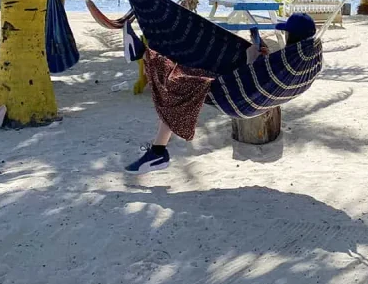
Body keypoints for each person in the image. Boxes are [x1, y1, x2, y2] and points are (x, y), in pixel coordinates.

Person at [125, 12, 316, 173]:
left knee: (178, 81)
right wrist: (261, 55)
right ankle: (158, 151)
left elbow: (256, 78)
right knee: (182, 83)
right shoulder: (303, 61)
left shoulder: (288, 63)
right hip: (253, 97)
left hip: (238, 99)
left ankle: (141, 52)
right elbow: (269, 76)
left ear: (290, 35)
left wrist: (252, 60)